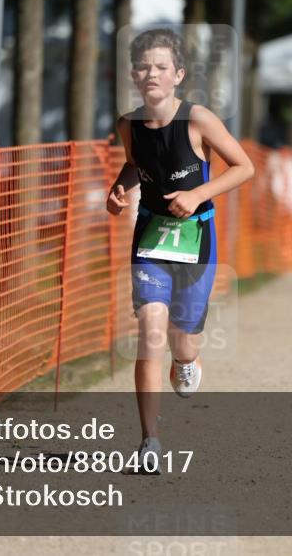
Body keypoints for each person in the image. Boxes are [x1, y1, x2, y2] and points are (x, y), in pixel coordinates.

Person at [106, 29, 254, 472]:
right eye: (144, 66)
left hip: (195, 240)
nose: (151, 73)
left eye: (161, 67)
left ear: (178, 75)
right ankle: (149, 441)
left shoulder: (198, 120)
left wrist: (198, 193)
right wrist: (119, 189)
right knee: (150, 330)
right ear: (134, 74)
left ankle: (187, 359)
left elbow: (244, 167)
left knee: (181, 343)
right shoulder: (127, 125)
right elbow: (136, 165)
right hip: (151, 237)